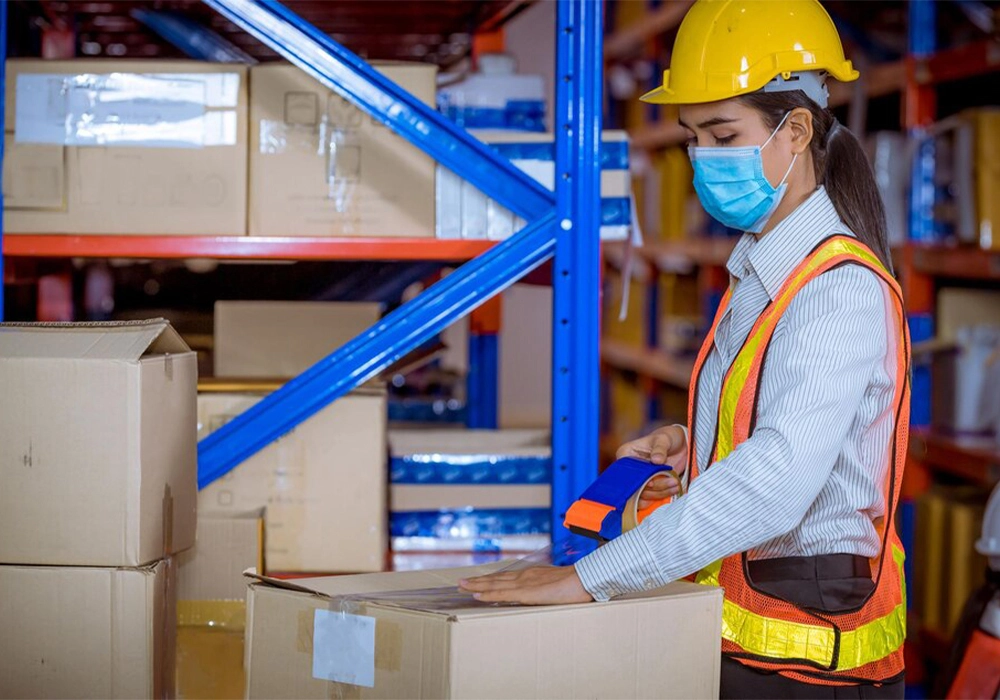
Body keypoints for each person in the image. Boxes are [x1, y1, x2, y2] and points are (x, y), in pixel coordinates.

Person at [459, 1, 911, 698]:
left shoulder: (835, 287)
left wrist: (586, 580)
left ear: (795, 131)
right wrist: (694, 443)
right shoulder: (762, 267)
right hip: (751, 632)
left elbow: (775, 482)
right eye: (694, 135)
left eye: (724, 132)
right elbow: (772, 426)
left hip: (808, 657)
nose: (703, 157)